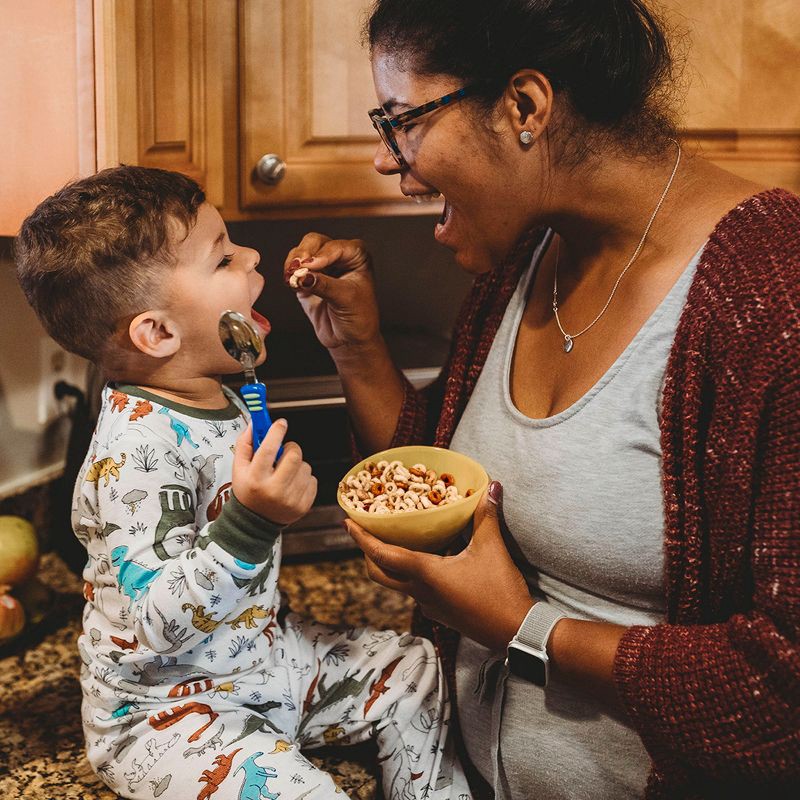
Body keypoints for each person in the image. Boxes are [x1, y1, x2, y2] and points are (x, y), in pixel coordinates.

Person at [282, 1, 800, 798]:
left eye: (402, 120)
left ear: (524, 107)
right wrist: (355, 347)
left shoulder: (773, 297)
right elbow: (436, 486)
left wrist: (523, 629)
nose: (388, 159)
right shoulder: (531, 250)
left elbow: (784, 694)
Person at [14, 166, 474, 800]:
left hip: (267, 660)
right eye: (224, 256)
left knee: (415, 669)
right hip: (166, 716)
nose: (254, 255)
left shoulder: (217, 393)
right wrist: (252, 523)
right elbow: (158, 623)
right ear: (158, 333)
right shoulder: (137, 449)